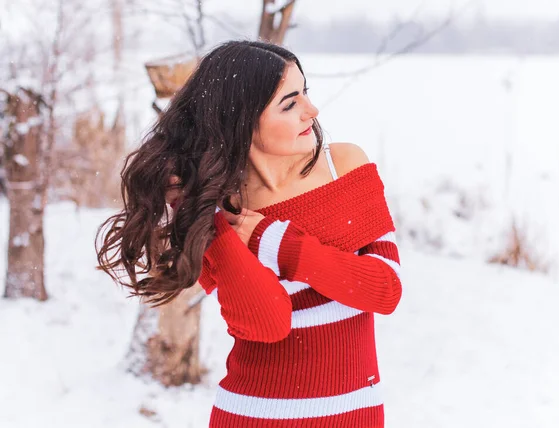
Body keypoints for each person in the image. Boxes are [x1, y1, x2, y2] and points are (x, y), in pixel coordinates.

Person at [96, 39, 402, 427]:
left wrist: (272, 241)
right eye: (290, 104)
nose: (312, 110)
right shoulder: (215, 208)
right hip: (254, 416)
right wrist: (214, 227)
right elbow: (267, 323)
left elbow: (385, 289)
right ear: (241, 120)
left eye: (304, 93)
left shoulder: (343, 165)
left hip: (356, 416)